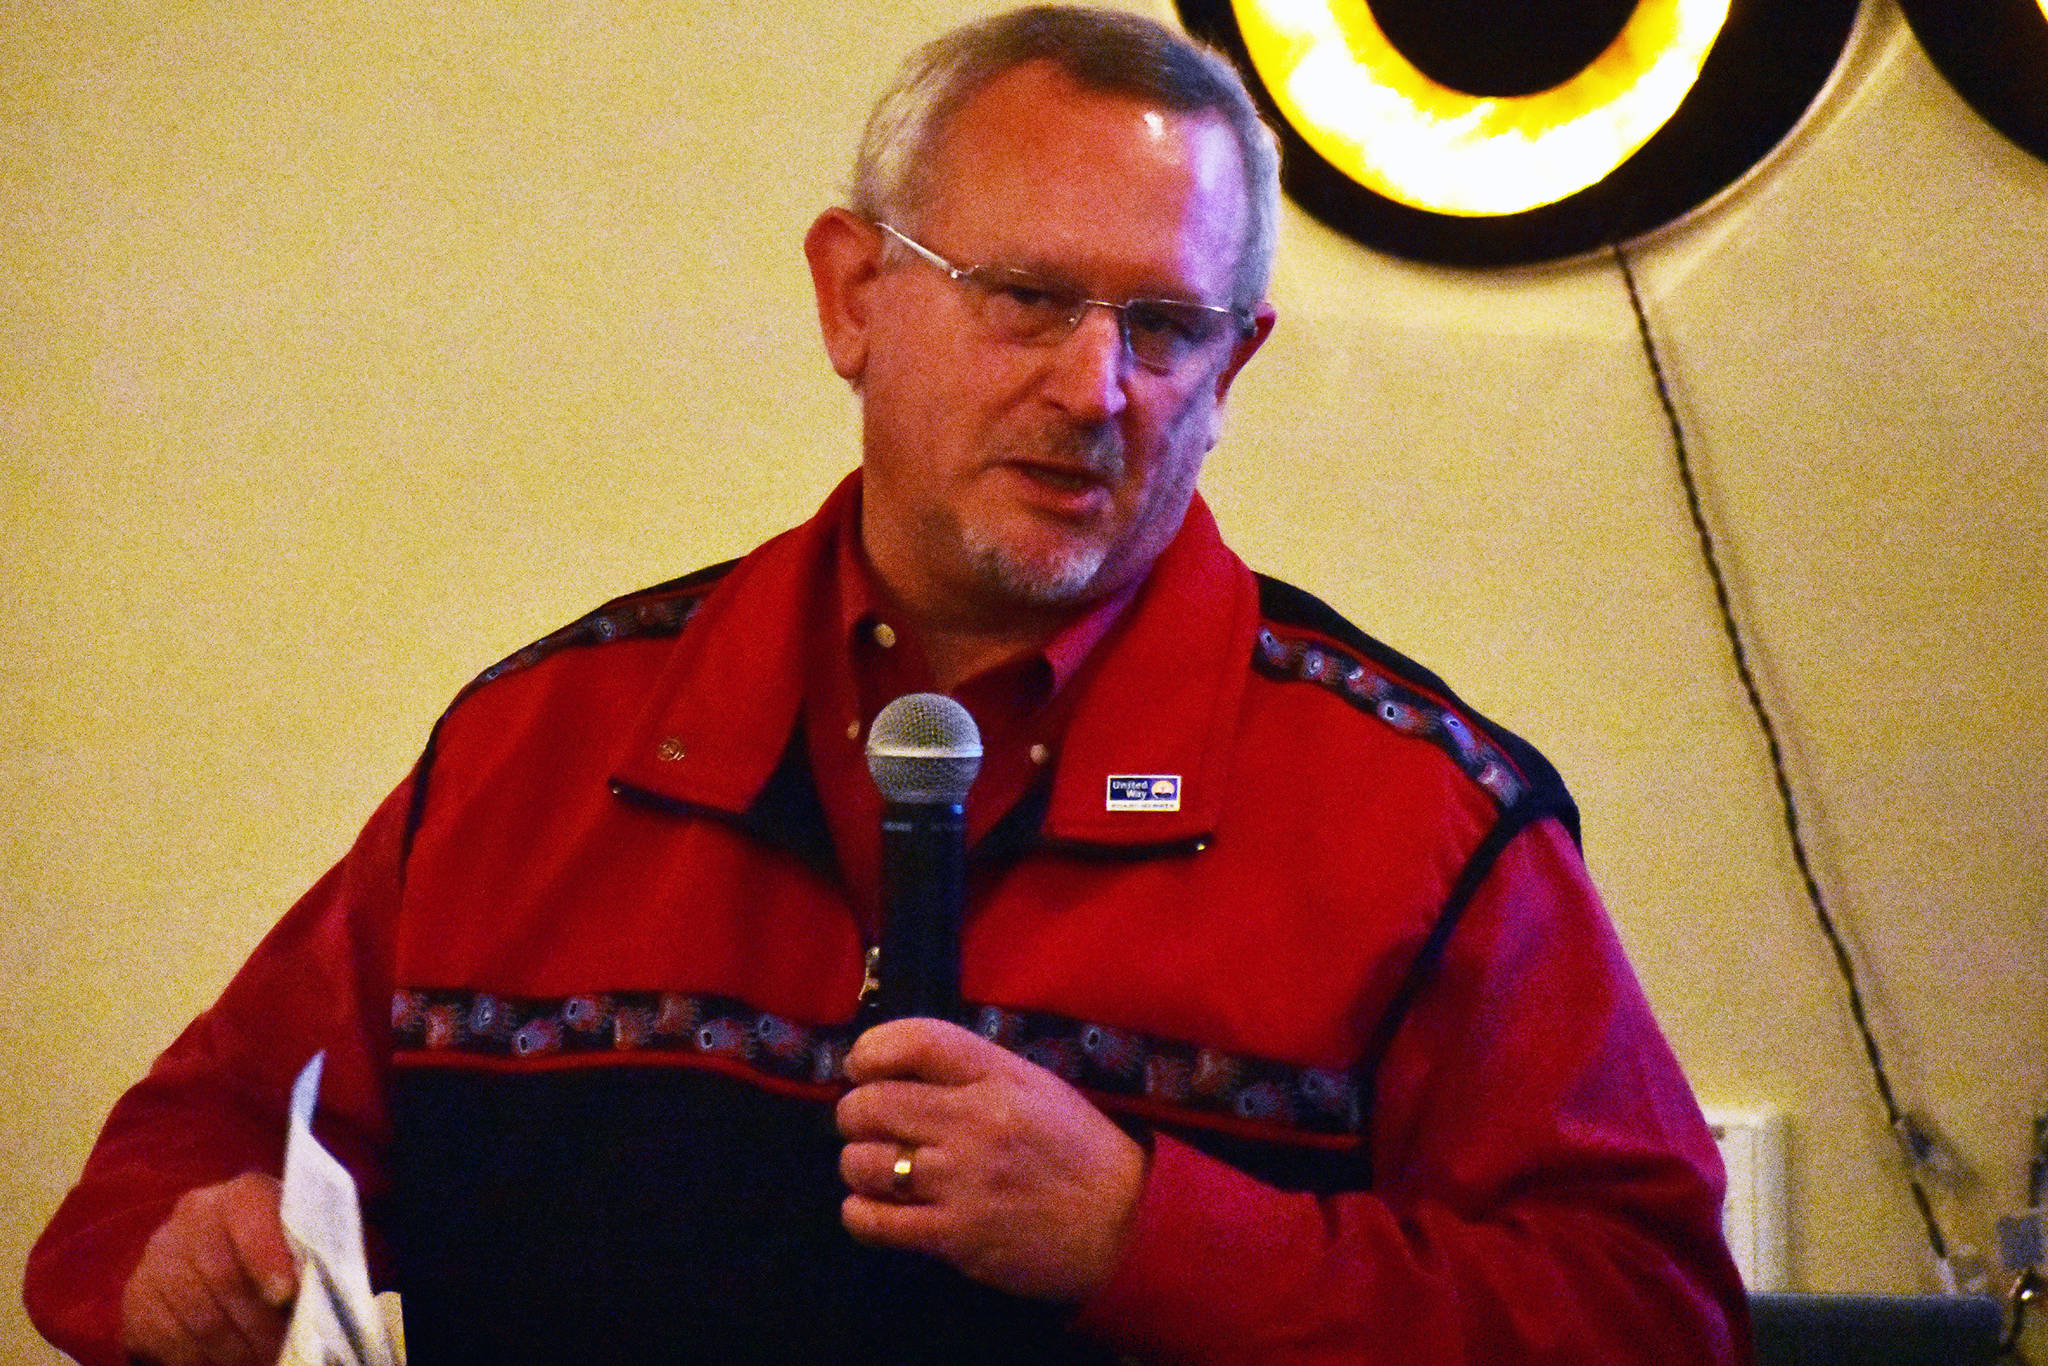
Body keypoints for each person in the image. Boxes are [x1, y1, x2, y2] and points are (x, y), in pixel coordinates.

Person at [26, 6, 1752, 1364]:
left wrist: (1146, 1235)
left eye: (1166, 327)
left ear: (1239, 364)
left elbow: (1651, 1318)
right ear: (854, 296)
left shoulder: (1421, 815)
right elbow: (145, 1199)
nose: (1100, 389)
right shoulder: (543, 749)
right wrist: (188, 1264)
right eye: (1026, 299)